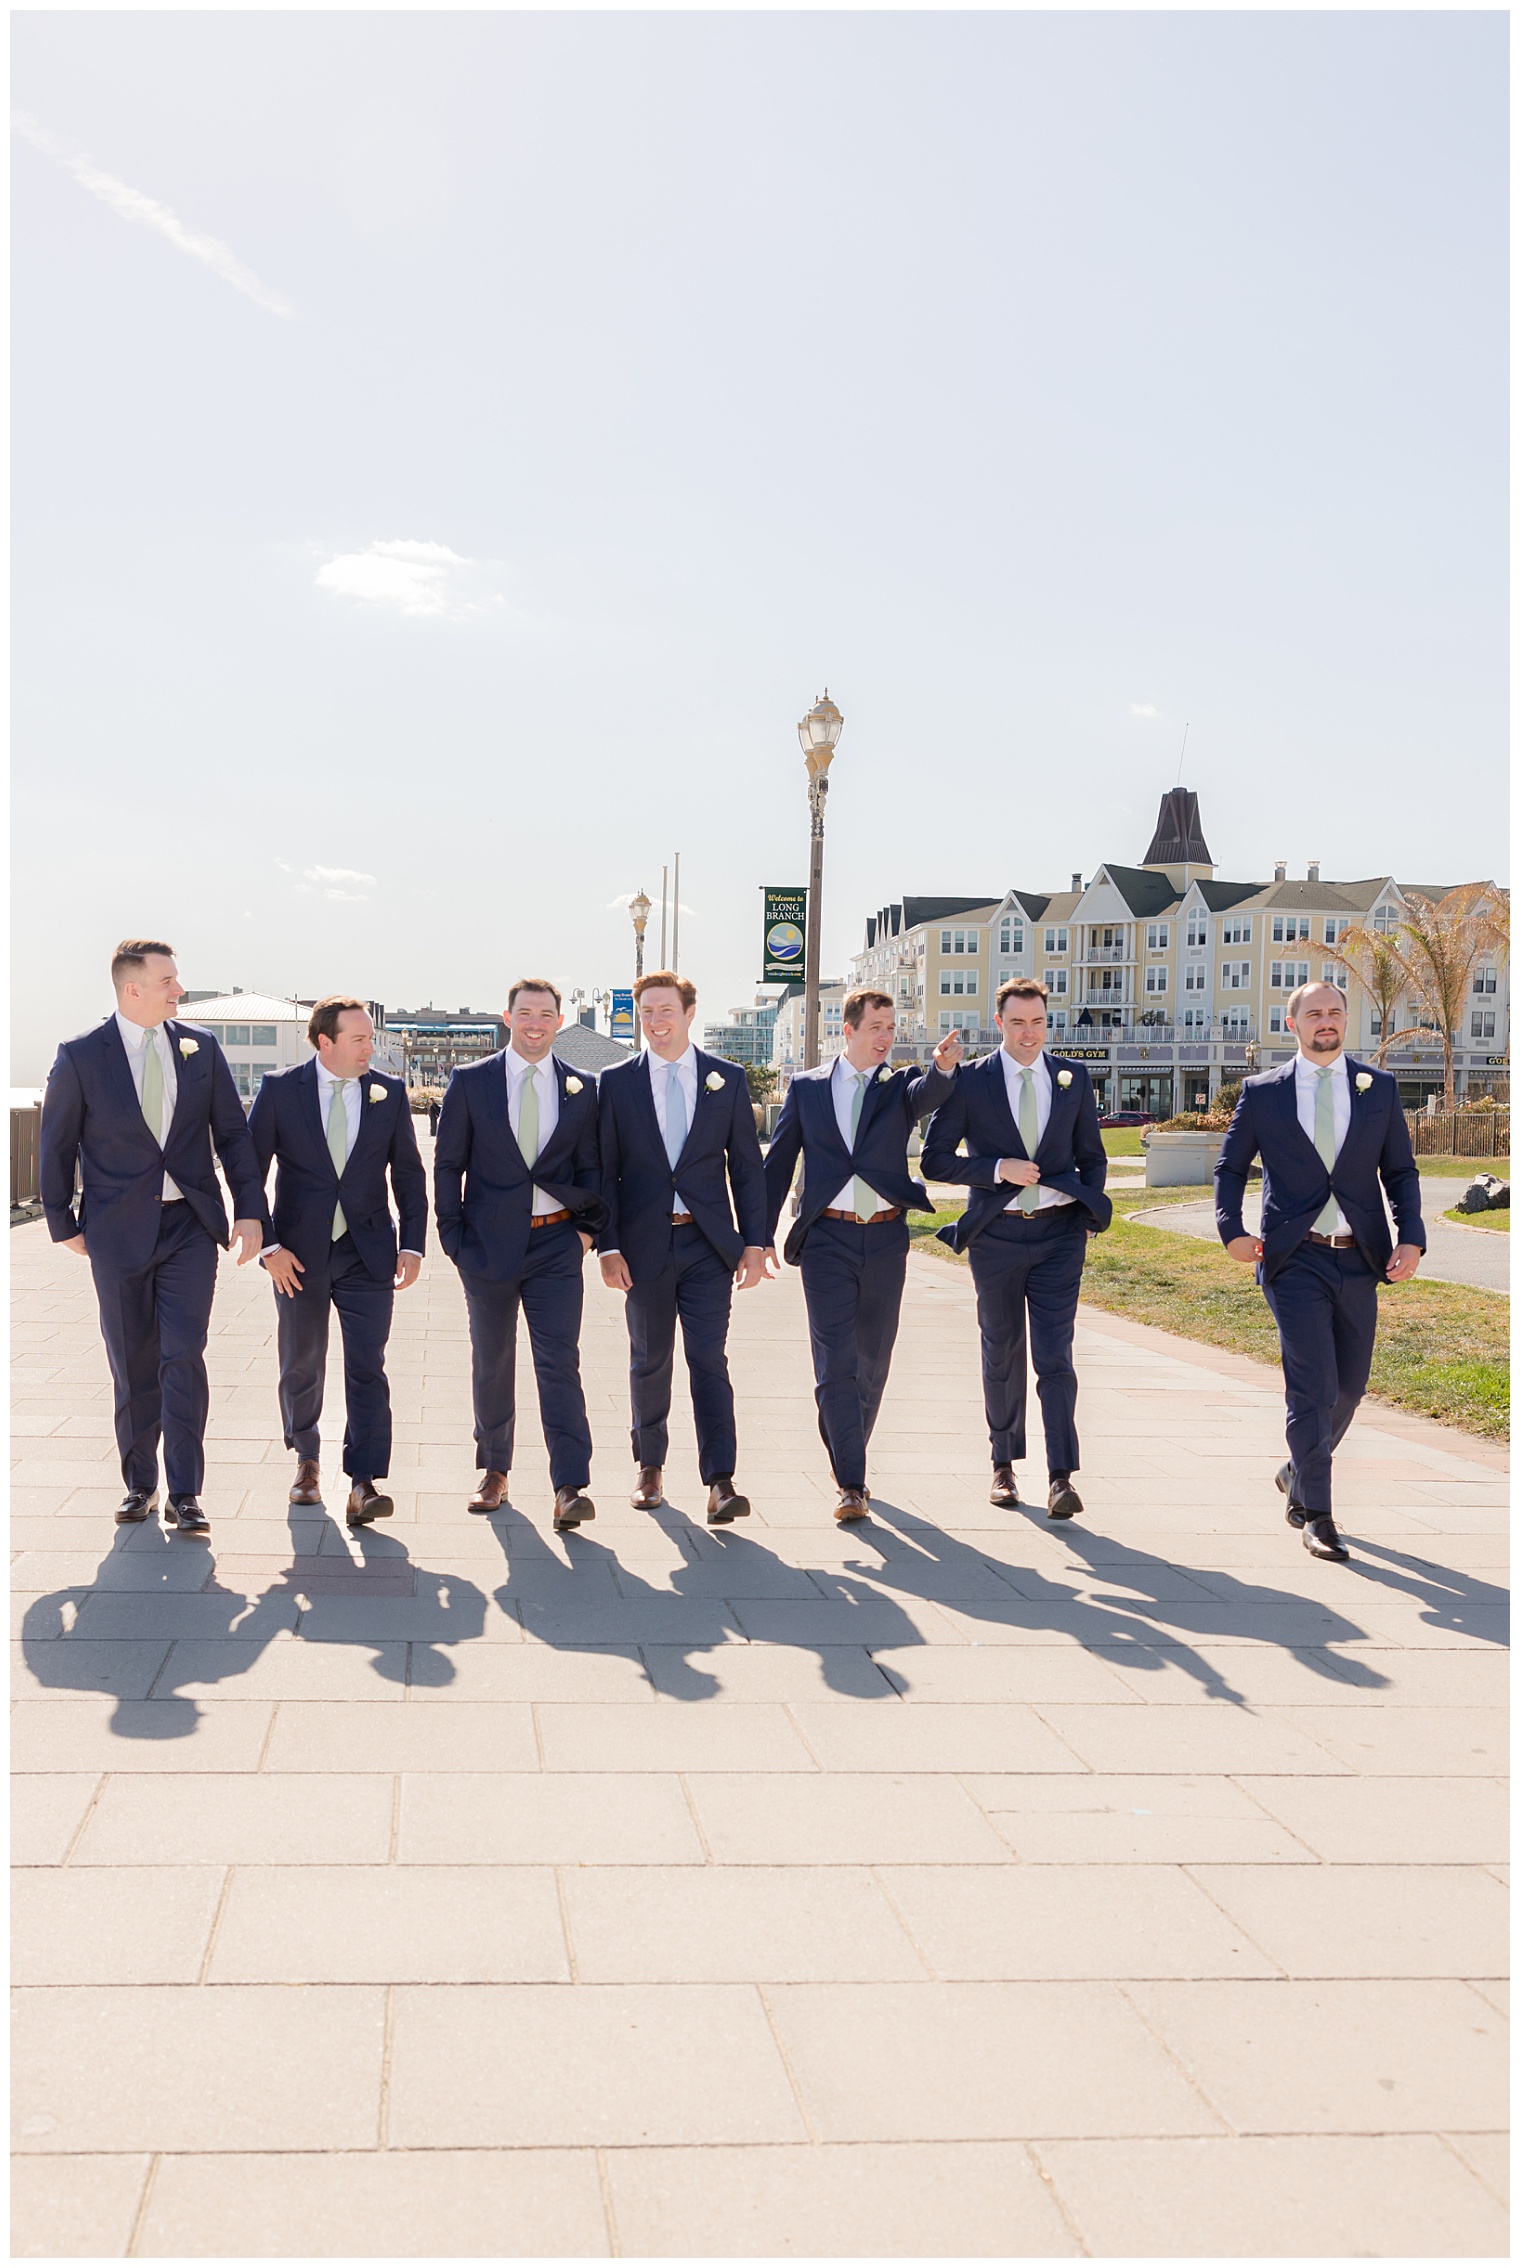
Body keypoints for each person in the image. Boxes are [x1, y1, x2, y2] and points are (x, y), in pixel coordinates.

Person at [38, 938, 268, 1533]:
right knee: (132, 1362)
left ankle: (186, 1493)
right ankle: (140, 1485)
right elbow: (57, 1143)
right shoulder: (82, 1055)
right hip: (115, 1234)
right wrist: (62, 1222)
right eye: (168, 980)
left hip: (190, 1227)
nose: (179, 990)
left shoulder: (201, 1048)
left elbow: (233, 1136)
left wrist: (249, 1209)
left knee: (183, 1356)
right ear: (131, 988)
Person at [1215, 980, 1424, 1562]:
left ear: (1345, 1019)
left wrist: (1413, 1239)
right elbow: (1230, 1169)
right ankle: (1319, 1514)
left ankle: (1296, 1471)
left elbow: (1400, 1173)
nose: (1325, 1021)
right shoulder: (1263, 1093)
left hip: (1360, 1256)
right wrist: (1232, 1230)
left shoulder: (1377, 1087)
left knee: (1350, 1390)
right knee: (1312, 1389)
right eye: (1314, 1014)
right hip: (1293, 1256)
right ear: (1293, 1024)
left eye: (1334, 1012)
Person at [763, 990, 961, 1522]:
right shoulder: (806, 1090)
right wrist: (757, 1239)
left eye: (891, 1028)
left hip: (886, 1239)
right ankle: (852, 1482)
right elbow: (778, 1165)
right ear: (846, 1030)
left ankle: (843, 1443)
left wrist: (942, 1070)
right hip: (827, 1239)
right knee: (836, 1362)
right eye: (875, 1027)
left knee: (872, 1363)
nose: (885, 1037)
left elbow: (928, 1093)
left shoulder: (898, 1087)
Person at [921, 977, 1110, 1518]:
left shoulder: (1073, 1078)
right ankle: (1003, 1466)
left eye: (1038, 1022)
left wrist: (1088, 1209)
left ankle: (1060, 1477)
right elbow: (935, 1159)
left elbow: (1091, 1154)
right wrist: (996, 1169)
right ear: (999, 1023)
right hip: (996, 1237)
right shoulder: (972, 1082)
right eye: (1018, 1022)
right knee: (1001, 1353)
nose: (1029, 1033)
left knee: (1055, 1357)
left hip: (1059, 1236)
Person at [596, 969, 769, 1524]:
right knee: (650, 1359)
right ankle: (649, 1468)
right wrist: (608, 1246)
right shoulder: (617, 1083)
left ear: (689, 1013)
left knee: (707, 1359)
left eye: (665, 1009)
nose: (655, 1021)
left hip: (707, 1245)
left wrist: (755, 1244)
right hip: (643, 1247)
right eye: (647, 1011)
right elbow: (606, 1172)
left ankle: (721, 1479)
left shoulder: (728, 1079)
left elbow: (746, 1168)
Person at [433, 979, 606, 1533]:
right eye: (525, 1013)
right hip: (485, 1247)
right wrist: (453, 1239)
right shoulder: (470, 1082)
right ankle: (494, 1470)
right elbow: (446, 1166)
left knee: (560, 1363)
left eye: (546, 1014)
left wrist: (584, 1235)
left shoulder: (581, 1088)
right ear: (507, 1018)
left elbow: (594, 1170)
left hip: (557, 1245)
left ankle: (569, 1485)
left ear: (559, 1021)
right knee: (493, 1360)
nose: (536, 1023)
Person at [248, 997, 428, 1527]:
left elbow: (411, 1176)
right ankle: (306, 1460)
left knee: (367, 1366)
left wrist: (413, 1244)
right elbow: (248, 1175)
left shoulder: (388, 1094)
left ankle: (365, 1480)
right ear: (325, 1042)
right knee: (302, 1361)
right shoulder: (281, 1091)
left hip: (368, 1252)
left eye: (371, 1038)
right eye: (360, 1039)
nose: (370, 1048)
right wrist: (269, 1248)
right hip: (297, 1257)